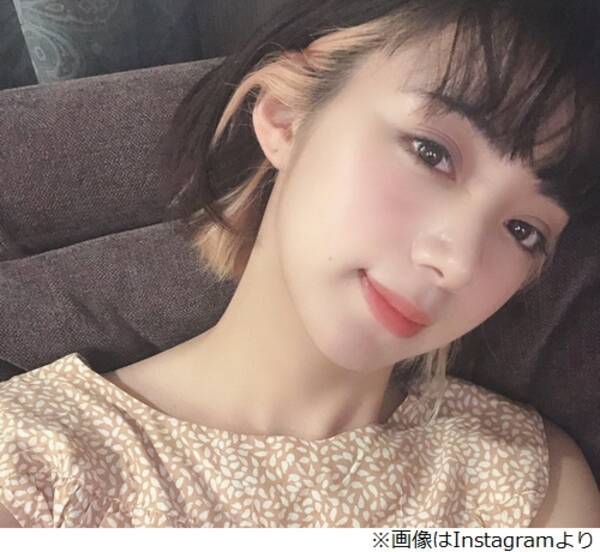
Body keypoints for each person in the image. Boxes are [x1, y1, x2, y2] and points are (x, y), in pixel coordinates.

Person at [1, 0, 600, 528]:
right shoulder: (35, 457)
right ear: (286, 113)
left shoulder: (529, 486)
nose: (459, 263)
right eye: (431, 152)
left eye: (524, 230)